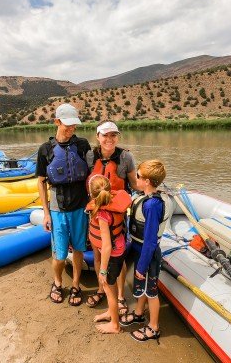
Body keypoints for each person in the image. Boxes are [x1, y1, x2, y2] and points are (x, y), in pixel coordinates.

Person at [36, 103, 91, 306]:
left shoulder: (82, 145)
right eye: (67, 125)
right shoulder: (45, 149)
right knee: (59, 255)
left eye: (74, 125)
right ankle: (58, 282)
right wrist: (46, 213)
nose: (71, 129)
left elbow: (93, 175)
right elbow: (41, 181)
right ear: (57, 122)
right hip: (58, 210)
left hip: (80, 208)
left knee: (78, 249)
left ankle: (76, 284)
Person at [85, 120, 141, 315]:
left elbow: (134, 184)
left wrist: (152, 187)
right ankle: (102, 289)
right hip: (96, 214)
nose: (109, 139)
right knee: (98, 252)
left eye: (113, 135)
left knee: (118, 256)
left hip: (116, 217)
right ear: (98, 136)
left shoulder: (126, 157)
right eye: (105, 135)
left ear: (117, 136)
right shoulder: (90, 155)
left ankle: (119, 296)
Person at [119, 160, 173, 343]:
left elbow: (150, 241)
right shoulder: (145, 198)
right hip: (138, 248)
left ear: (148, 181)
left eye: (139, 176)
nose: (136, 177)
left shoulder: (152, 206)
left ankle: (154, 327)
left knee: (151, 292)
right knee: (141, 288)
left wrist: (141, 267)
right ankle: (140, 313)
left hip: (147, 254)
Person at [86, 175, 131, 334]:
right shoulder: (112, 203)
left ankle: (115, 325)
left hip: (112, 256)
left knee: (109, 290)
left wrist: (103, 270)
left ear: (91, 194)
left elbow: (106, 246)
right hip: (119, 249)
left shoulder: (102, 214)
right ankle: (110, 313)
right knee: (109, 289)